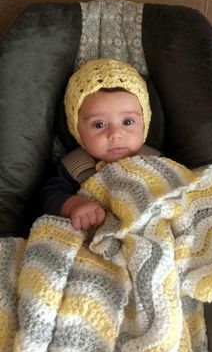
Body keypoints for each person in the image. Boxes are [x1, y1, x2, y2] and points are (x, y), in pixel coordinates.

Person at [41, 58, 159, 230]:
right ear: (77, 129)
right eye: (99, 125)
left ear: (145, 122)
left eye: (127, 122)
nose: (115, 134)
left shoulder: (157, 161)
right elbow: (49, 196)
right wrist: (75, 205)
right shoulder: (75, 166)